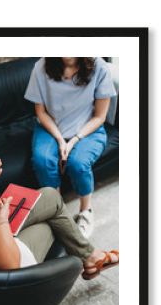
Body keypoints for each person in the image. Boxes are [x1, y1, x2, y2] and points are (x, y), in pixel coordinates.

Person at [0, 83, 118, 280]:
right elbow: (11, 265)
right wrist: (1, 221)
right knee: (52, 223)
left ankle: (90, 257)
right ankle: (90, 258)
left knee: (50, 196)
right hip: (4, 282)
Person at [24, 57, 117, 238]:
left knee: (78, 163)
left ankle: (86, 211)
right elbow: (40, 112)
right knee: (42, 160)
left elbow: (100, 117)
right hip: (51, 127)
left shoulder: (100, 68)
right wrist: (60, 140)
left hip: (88, 128)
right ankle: (57, 212)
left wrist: (74, 140)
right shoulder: (40, 67)